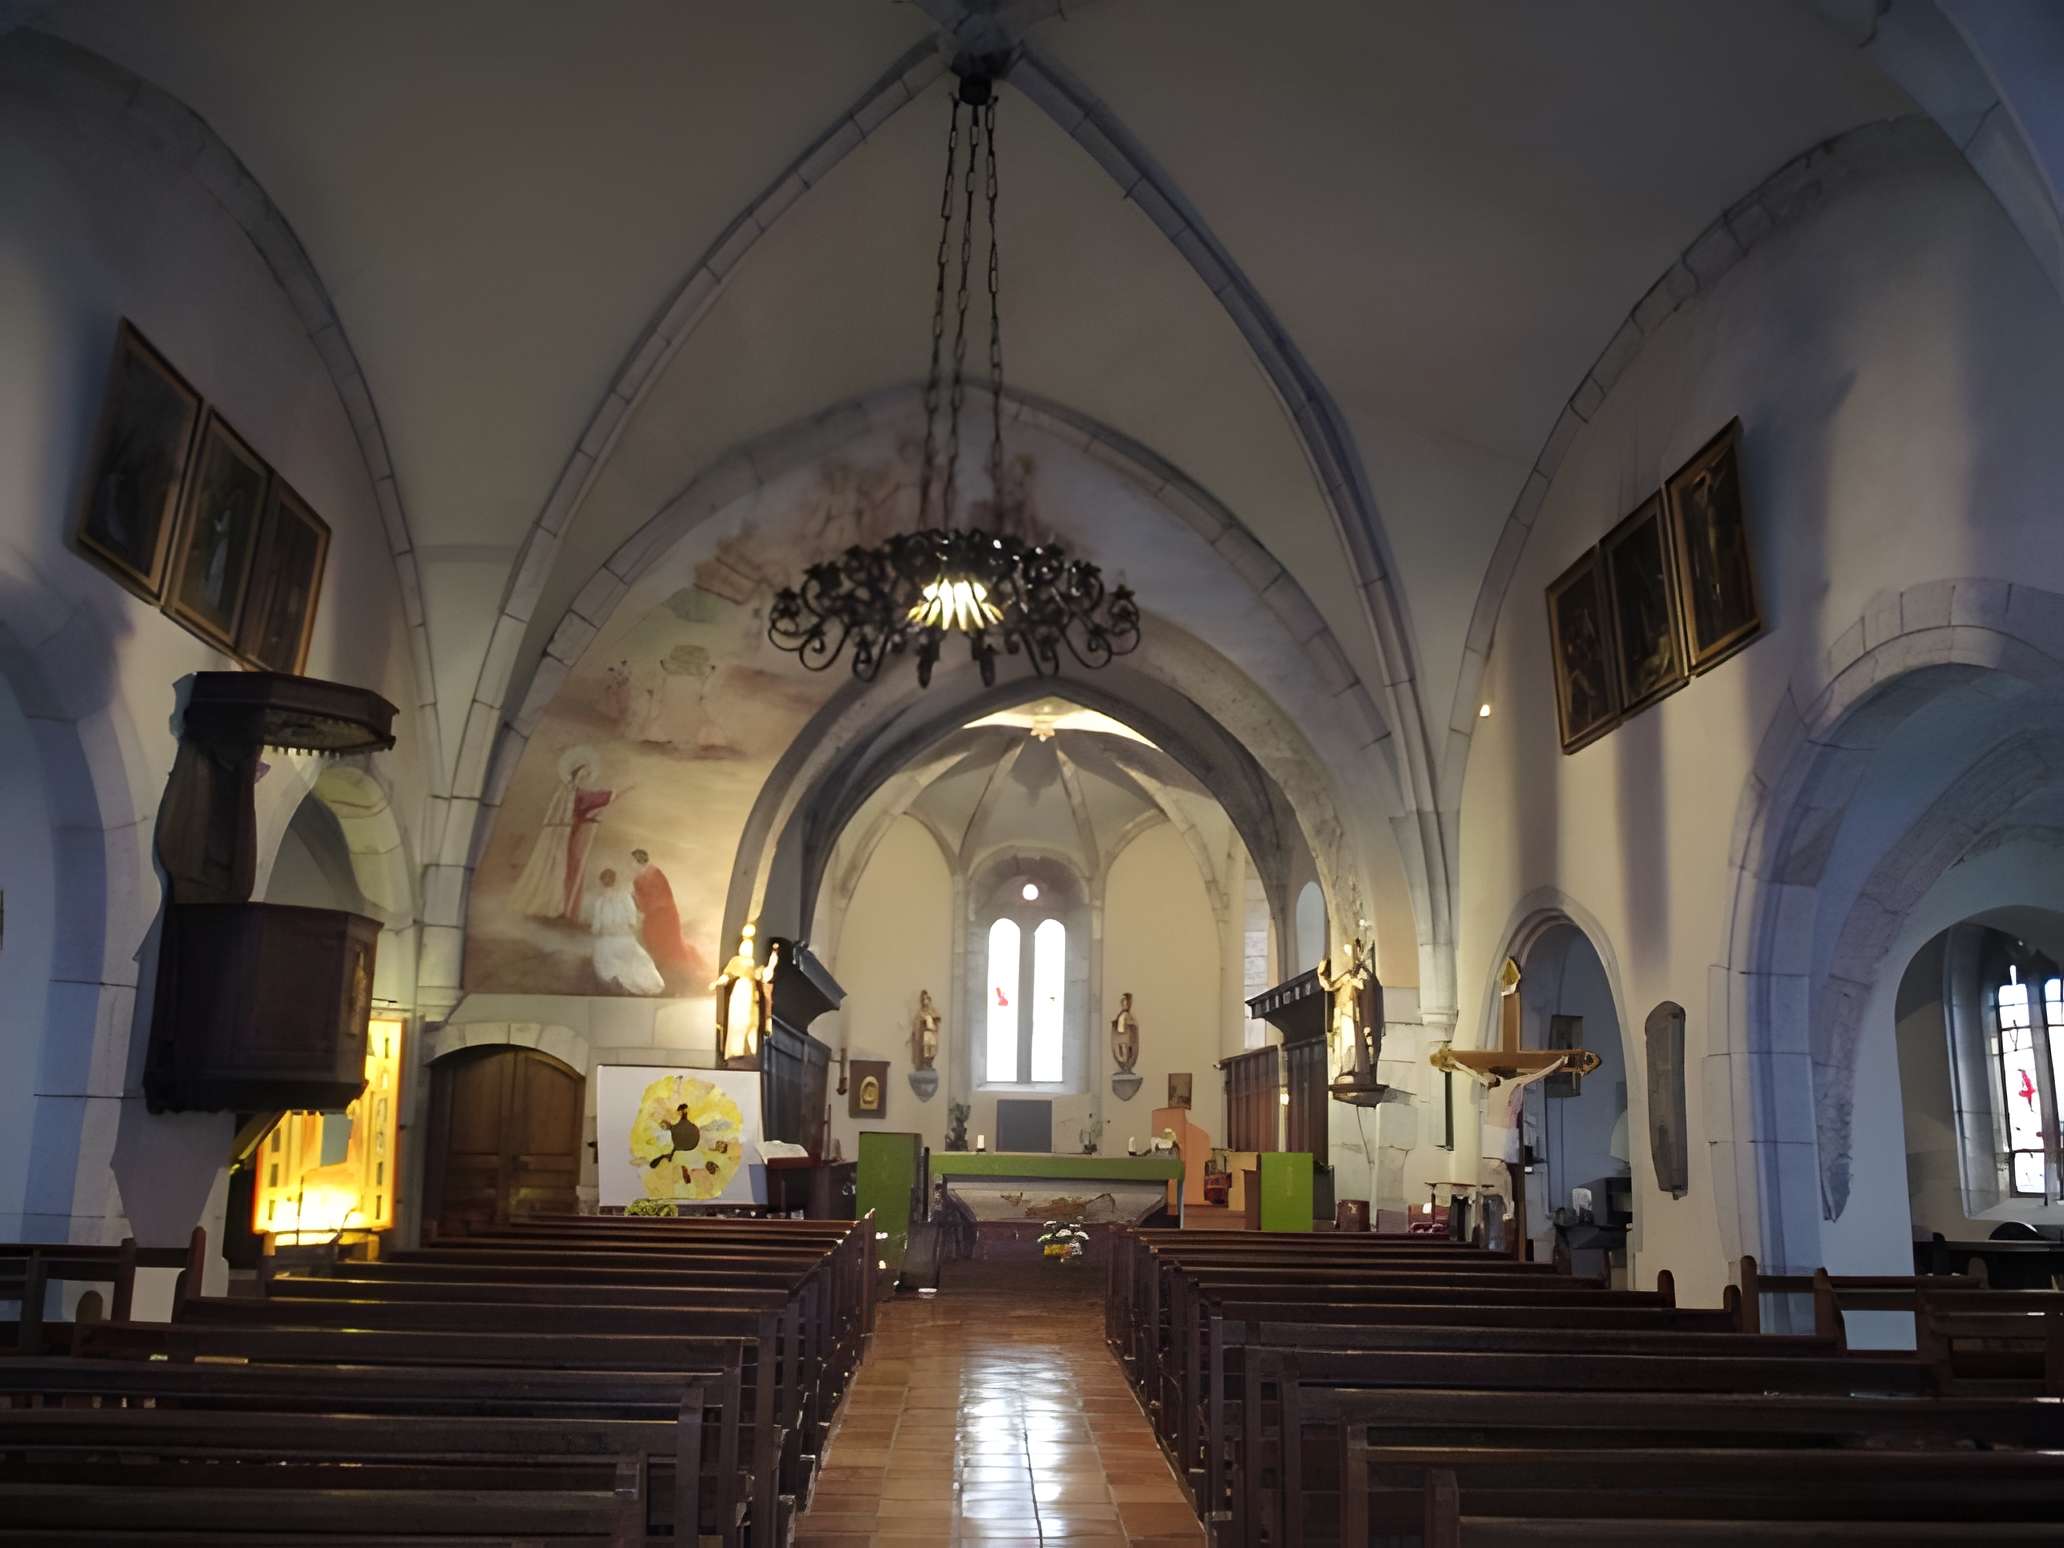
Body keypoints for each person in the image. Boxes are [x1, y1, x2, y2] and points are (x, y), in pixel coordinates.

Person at [511, 746, 629, 922]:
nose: (585, 778)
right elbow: (592, 801)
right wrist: (623, 790)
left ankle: (555, 907)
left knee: (560, 869)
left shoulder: (569, 791)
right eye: (583, 774)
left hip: (563, 835)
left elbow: (591, 804)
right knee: (555, 869)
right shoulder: (569, 792)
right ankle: (549, 906)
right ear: (575, 773)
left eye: (587, 775)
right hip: (559, 837)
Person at [631, 849, 705, 988]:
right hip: (653, 917)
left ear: (639, 861)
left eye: (633, 862)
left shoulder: (655, 874)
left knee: (673, 946)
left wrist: (640, 901)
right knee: (653, 940)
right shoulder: (638, 879)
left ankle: (688, 968)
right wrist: (636, 900)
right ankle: (661, 969)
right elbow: (642, 900)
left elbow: (661, 897)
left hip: (665, 915)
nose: (631, 865)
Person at [586, 867, 664, 995]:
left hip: (614, 939)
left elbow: (596, 927)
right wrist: (621, 928)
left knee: (612, 958)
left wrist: (608, 929)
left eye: (606, 880)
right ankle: (622, 981)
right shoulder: (615, 899)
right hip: (618, 939)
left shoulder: (608, 900)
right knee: (626, 960)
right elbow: (630, 921)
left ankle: (619, 979)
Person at [648, 1103, 700, 1168]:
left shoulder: (681, 1126)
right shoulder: (679, 1127)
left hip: (687, 1144)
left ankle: (666, 1156)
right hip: (687, 1145)